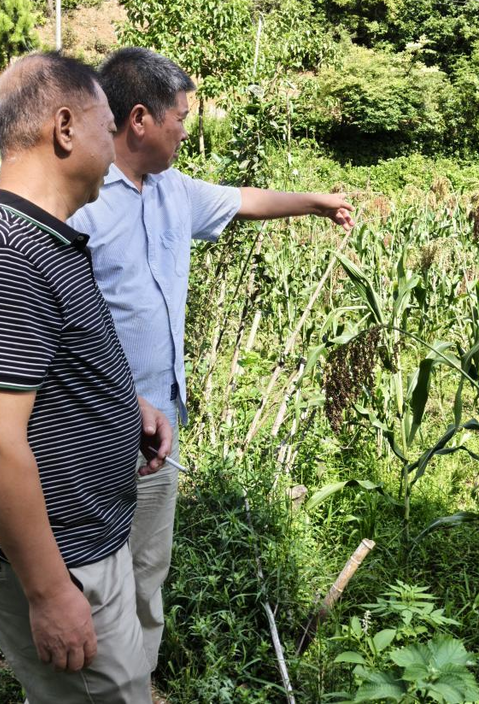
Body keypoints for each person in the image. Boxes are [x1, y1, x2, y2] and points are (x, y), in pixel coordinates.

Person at [68, 46, 355, 677]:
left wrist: (314, 201)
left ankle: (133, 683)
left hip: (159, 429)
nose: (185, 130)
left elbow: (244, 199)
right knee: (88, 573)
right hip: (92, 426)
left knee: (147, 570)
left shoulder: (175, 191)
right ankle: (79, 683)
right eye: (180, 118)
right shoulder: (81, 203)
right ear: (139, 119)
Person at [0, 51, 173, 703]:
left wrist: (128, 410)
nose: (117, 139)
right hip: (64, 564)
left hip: (84, 548)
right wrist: (47, 592)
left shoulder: (39, 242)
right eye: (107, 124)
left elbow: (42, 384)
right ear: (65, 127)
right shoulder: (8, 258)